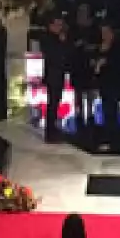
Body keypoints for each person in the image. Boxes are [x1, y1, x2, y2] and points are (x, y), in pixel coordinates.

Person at [41, 12, 71, 142]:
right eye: (58, 24)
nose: (60, 27)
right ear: (51, 25)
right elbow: (55, 55)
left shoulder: (55, 38)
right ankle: (50, 132)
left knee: (55, 103)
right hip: (53, 75)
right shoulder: (49, 39)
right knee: (52, 103)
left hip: (57, 74)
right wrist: (62, 43)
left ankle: (53, 128)